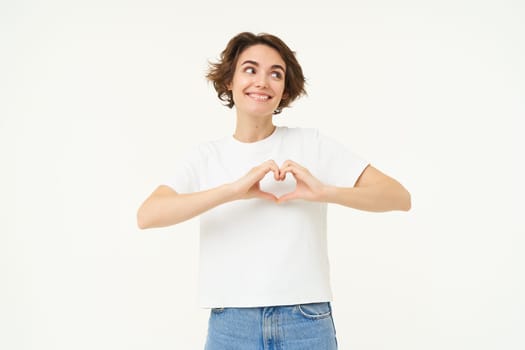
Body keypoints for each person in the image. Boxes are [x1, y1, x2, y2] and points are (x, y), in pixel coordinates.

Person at [137, 32, 411, 350]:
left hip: (306, 320)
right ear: (229, 80)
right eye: (250, 69)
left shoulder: (312, 144)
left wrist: (324, 192)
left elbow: (398, 196)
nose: (263, 82)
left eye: (276, 73)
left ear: (285, 89)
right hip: (232, 324)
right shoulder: (205, 156)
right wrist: (232, 191)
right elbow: (148, 215)